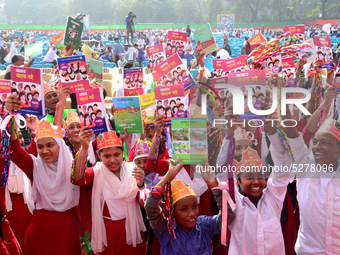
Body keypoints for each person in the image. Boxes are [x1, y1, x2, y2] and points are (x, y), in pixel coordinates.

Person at [4, 100, 82, 254]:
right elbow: (14, 148)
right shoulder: (35, 166)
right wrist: (11, 116)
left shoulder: (74, 168)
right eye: (40, 147)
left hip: (68, 231)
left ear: (60, 146)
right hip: (40, 235)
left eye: (50, 145)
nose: (44, 151)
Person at [72, 130, 146, 254]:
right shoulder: (95, 172)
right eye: (107, 156)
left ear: (123, 152)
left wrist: (141, 185)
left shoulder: (132, 169)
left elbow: (143, 202)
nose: (112, 160)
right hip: (107, 234)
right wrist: (84, 148)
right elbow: (77, 179)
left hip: (132, 230)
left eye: (116, 154)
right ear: (99, 156)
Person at [145, 156, 234, 255]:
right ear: (173, 211)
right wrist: (168, 177)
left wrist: (213, 186)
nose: (192, 213)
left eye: (194, 206)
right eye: (184, 209)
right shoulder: (165, 230)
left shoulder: (204, 226)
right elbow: (150, 207)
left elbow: (229, 215)